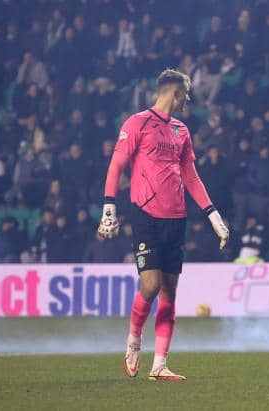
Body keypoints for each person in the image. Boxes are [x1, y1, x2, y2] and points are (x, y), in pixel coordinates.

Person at [99, 69, 229, 381]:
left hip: (177, 218)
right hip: (146, 215)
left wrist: (213, 215)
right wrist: (108, 208)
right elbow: (116, 165)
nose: (189, 100)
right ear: (174, 92)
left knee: (169, 294)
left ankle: (159, 365)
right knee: (151, 284)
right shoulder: (137, 123)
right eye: (186, 94)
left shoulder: (182, 130)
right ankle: (133, 340)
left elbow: (191, 176)